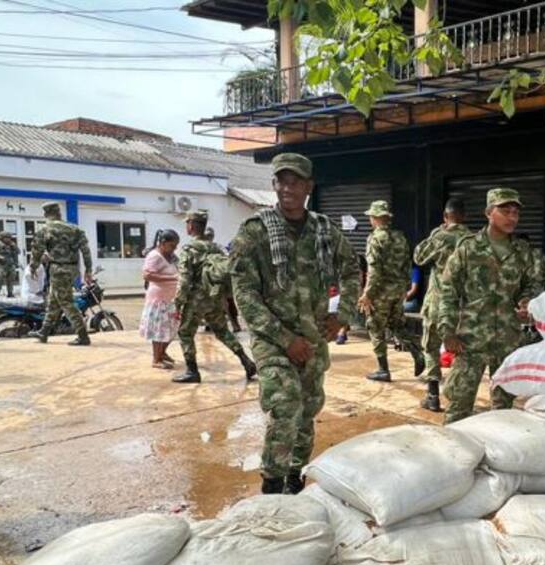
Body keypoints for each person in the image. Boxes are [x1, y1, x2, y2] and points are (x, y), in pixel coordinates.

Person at [229, 152, 359, 495]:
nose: (288, 188)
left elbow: (351, 269)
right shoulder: (255, 232)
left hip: (314, 337)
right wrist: (284, 338)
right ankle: (272, 484)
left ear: (308, 186)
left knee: (307, 411)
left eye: (295, 181)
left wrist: (341, 315)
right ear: (274, 185)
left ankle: (295, 477)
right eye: (281, 181)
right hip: (272, 340)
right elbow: (243, 291)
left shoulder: (324, 230)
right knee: (286, 404)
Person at [441, 187, 545, 424]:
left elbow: (533, 284)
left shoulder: (523, 253)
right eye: (505, 211)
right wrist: (447, 331)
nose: (512, 218)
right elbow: (447, 293)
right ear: (489, 212)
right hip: (470, 340)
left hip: (508, 339)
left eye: (515, 213)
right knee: (459, 405)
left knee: (503, 407)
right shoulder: (467, 249)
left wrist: (528, 302)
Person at [170, 210, 257, 384]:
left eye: (187, 223)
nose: (187, 226)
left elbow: (185, 280)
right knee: (223, 332)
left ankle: (192, 371)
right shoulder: (215, 247)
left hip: (196, 299)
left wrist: (178, 303)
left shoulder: (189, 249)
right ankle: (247, 362)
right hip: (214, 297)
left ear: (192, 226)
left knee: (185, 333)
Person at [413, 197, 471, 412]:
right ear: (464, 216)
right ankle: (459, 398)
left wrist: (436, 233)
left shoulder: (441, 236)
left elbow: (419, 257)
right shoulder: (474, 239)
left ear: (446, 217)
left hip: (439, 302)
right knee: (463, 352)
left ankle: (433, 396)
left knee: (430, 347)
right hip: (465, 306)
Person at [358, 200, 422, 382]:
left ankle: (383, 369)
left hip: (380, 291)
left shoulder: (375, 239)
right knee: (396, 325)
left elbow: (374, 270)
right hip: (398, 290)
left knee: (375, 327)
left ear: (376, 218)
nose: (370, 219)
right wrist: (404, 288)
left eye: (371, 216)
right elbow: (407, 265)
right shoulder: (400, 237)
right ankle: (417, 352)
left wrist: (367, 294)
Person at [29, 201, 93, 345]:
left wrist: (33, 267)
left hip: (58, 270)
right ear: (59, 212)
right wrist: (88, 270)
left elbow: (37, 251)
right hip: (72, 269)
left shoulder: (45, 229)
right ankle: (44, 332)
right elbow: (86, 251)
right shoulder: (75, 229)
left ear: (46, 213)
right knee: (54, 301)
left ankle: (83, 335)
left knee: (66, 302)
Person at [140, 229, 181, 369]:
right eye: (172, 246)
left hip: (170, 300)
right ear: (163, 243)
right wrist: (172, 278)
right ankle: (156, 359)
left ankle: (162, 353)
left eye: (175, 246)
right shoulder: (154, 256)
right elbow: (147, 275)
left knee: (171, 328)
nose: (174, 249)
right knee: (159, 330)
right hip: (159, 300)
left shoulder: (171, 257)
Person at [0, 232, 20, 298]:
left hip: (10, 265)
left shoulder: (12, 245)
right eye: (6, 238)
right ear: (2, 238)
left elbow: (18, 252)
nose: (8, 239)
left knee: (10, 280)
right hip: (1, 265)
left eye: (9, 237)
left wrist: (14, 246)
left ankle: (10, 293)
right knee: (0, 279)